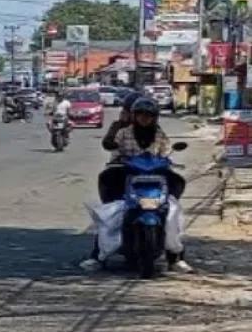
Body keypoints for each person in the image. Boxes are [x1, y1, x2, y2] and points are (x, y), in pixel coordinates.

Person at [80, 97, 193, 273]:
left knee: (172, 212)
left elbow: (166, 153)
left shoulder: (160, 135)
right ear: (134, 116)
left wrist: (167, 162)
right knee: (112, 214)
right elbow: (114, 150)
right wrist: (118, 157)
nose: (144, 119)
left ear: (154, 117)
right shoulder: (123, 133)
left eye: (148, 115)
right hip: (126, 176)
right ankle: (97, 257)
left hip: (155, 178)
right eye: (140, 115)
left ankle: (176, 258)